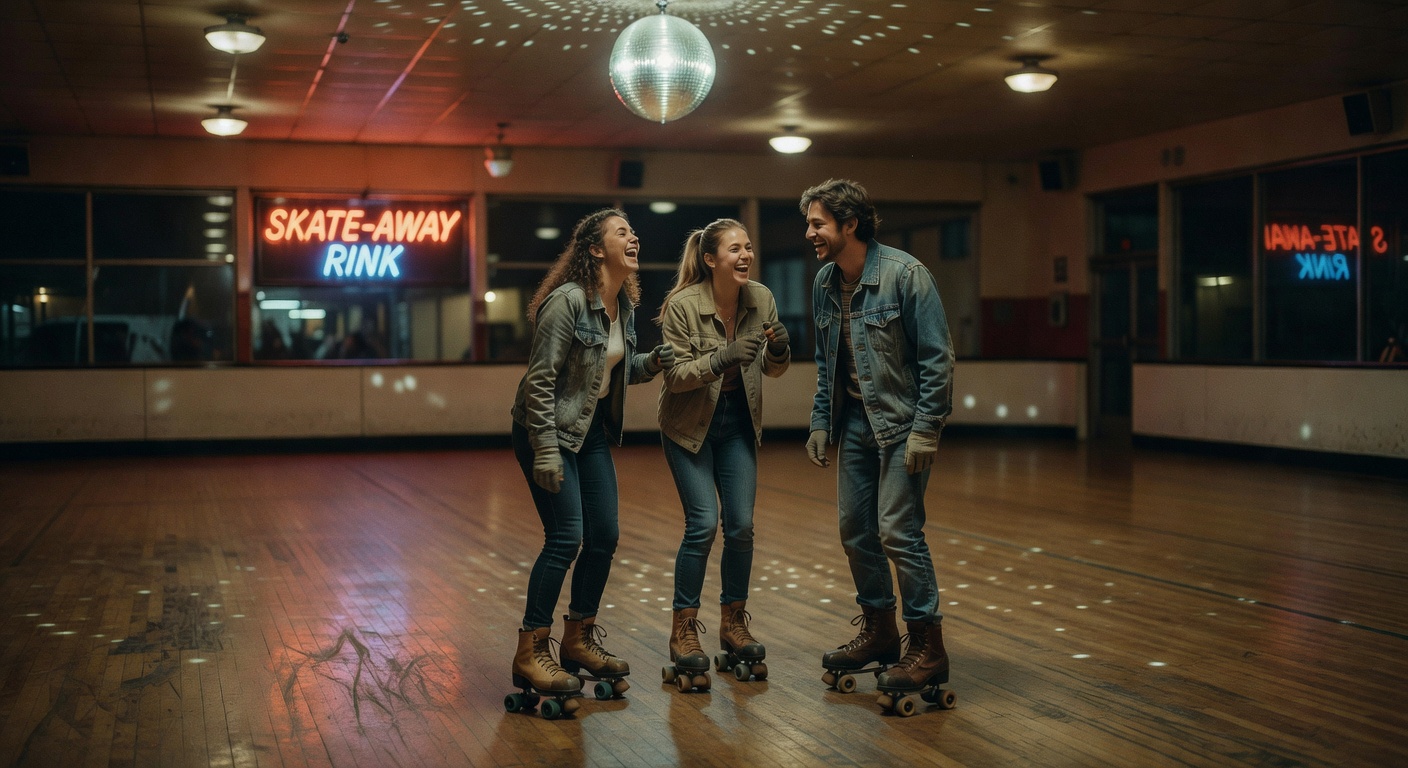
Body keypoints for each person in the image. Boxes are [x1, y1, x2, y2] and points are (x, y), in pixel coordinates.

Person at [507, 208, 676, 706]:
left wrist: (651, 362)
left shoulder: (621, 303)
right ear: (596, 249)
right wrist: (544, 450)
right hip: (544, 429)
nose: (634, 236)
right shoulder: (567, 302)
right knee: (565, 538)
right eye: (622, 232)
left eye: (634, 231)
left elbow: (607, 372)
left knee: (604, 535)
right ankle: (530, 649)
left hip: (590, 431)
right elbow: (540, 381)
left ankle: (578, 639)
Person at [800, 179, 956, 704]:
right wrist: (822, 421)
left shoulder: (906, 276)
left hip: (902, 426)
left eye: (818, 223)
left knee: (898, 533)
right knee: (854, 531)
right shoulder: (825, 281)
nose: (810, 233)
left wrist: (926, 429)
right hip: (856, 428)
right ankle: (881, 631)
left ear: (850, 224)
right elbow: (828, 363)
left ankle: (927, 645)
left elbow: (938, 358)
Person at [655, 218, 790, 689]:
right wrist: (724, 357)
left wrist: (779, 352)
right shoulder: (682, 306)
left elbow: (773, 371)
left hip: (737, 423)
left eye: (749, 247)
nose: (745, 255)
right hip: (689, 427)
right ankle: (683, 631)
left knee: (741, 525)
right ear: (711, 259)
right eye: (735, 248)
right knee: (702, 524)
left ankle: (733, 624)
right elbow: (674, 377)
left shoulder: (762, 299)